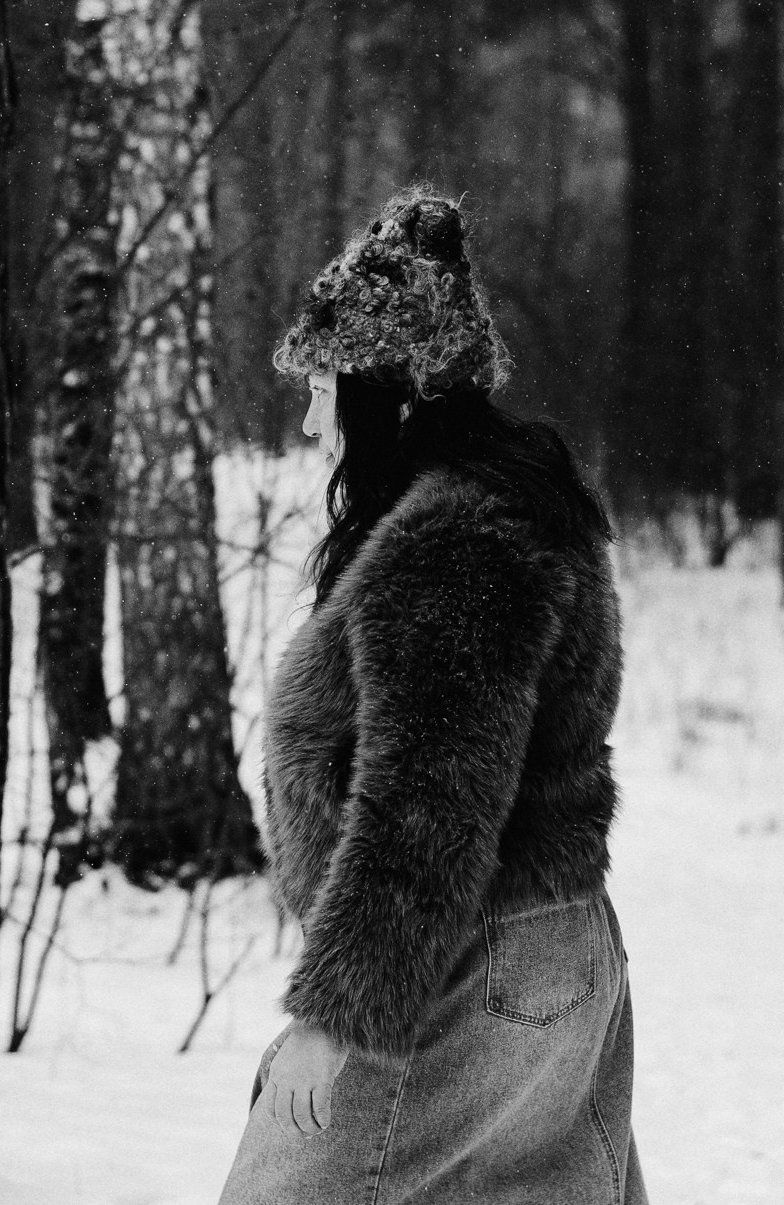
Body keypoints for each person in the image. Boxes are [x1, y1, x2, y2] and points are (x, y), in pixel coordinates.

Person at [217, 189, 647, 1204]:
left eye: (323, 385)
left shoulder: (455, 539)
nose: (311, 414)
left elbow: (430, 802)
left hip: (462, 965)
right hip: (547, 953)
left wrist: (335, 1017)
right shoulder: (504, 503)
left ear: (386, 392)